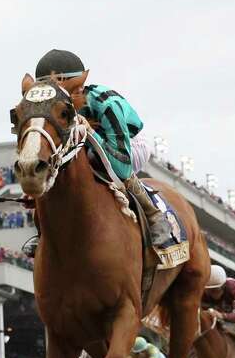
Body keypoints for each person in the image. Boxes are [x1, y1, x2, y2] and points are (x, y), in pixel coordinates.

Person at [21, 49, 172, 256]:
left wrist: (90, 130)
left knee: (96, 161)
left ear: (77, 86)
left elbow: (121, 163)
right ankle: (44, 231)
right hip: (85, 143)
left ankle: (154, 216)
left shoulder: (106, 104)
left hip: (128, 143)